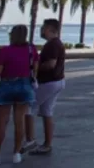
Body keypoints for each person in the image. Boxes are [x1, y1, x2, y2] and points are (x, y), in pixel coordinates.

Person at [0, 24, 37, 166]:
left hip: (7, 84)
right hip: (25, 85)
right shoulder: (31, 50)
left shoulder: (4, 51)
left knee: (2, 122)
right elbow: (35, 68)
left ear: (12, 35)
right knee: (20, 121)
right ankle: (16, 154)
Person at [23, 19, 65, 155]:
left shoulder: (52, 45)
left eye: (44, 28)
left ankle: (30, 141)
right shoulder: (55, 43)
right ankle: (47, 144)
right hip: (57, 81)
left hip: (49, 82)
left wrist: (35, 68)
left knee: (29, 107)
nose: (42, 30)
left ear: (51, 29)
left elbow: (51, 64)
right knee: (47, 111)